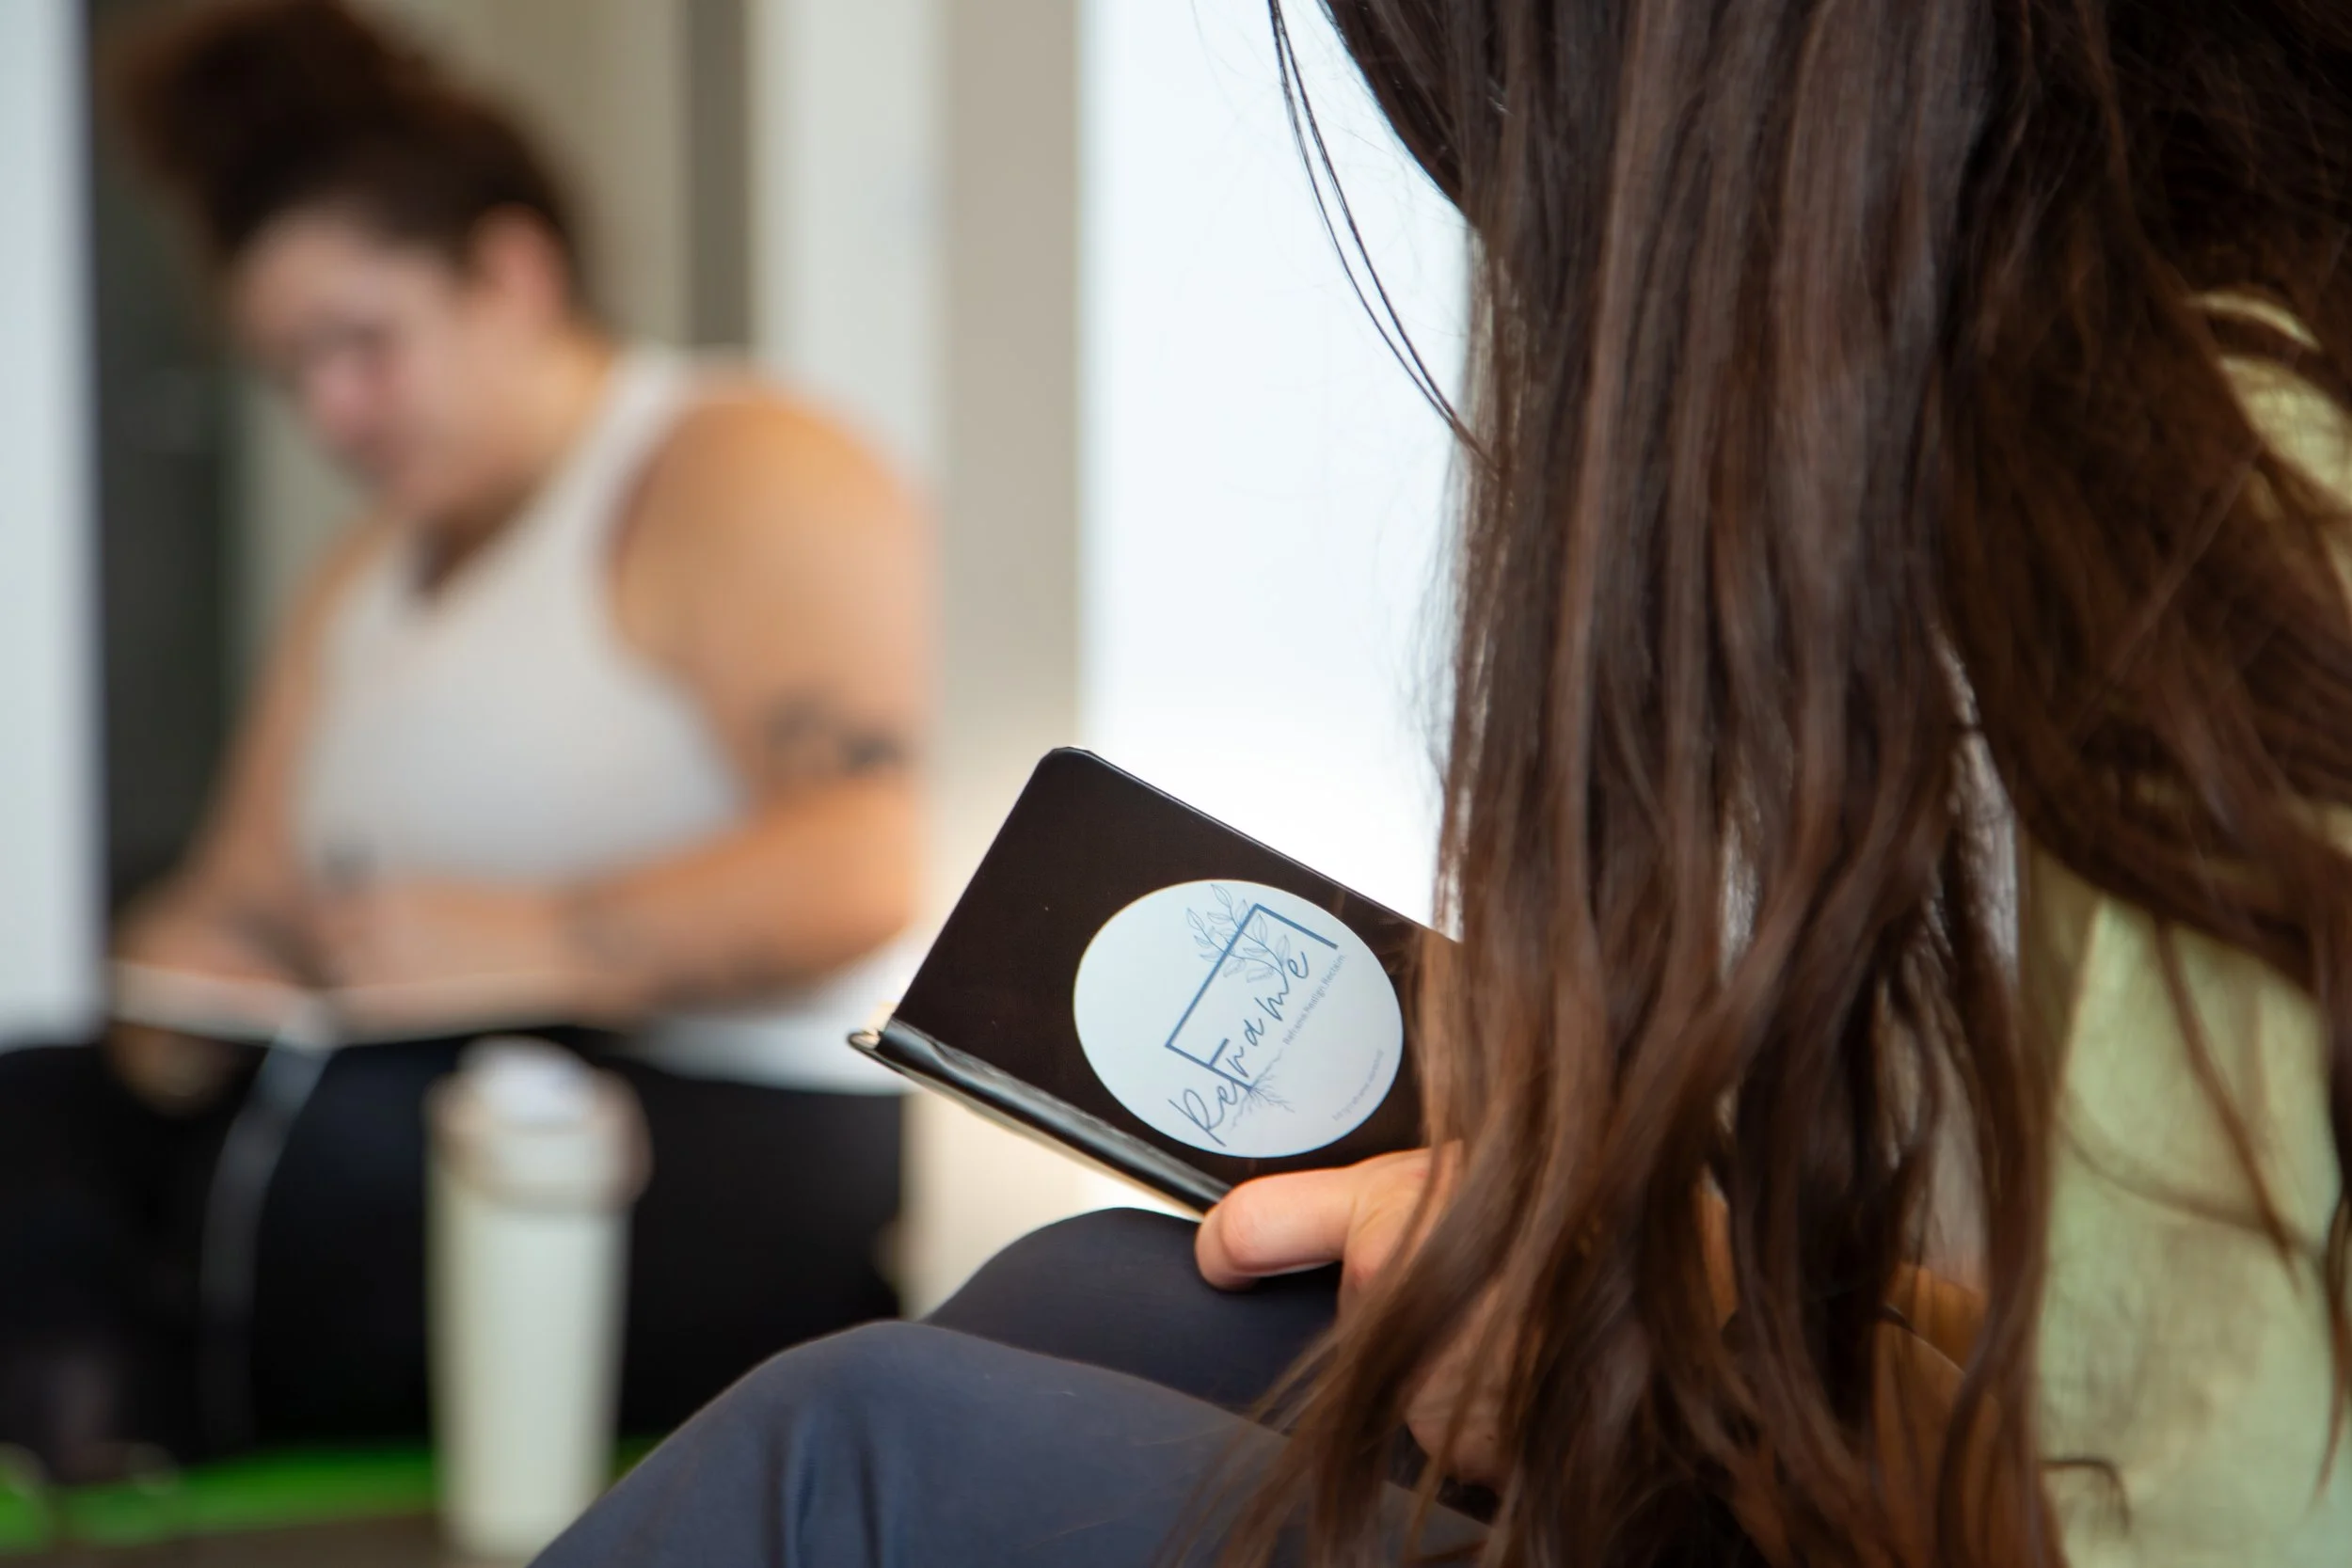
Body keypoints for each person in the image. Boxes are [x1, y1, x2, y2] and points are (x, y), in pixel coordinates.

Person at [533, 1, 2352, 1565]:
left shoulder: (2237, 569)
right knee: (1130, 1291)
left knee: (861, 1450)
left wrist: (1699, 1365)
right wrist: (1706, 1301)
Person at [0, 0, 928, 1477]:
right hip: (396, 1098)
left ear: (510, 272)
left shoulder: (730, 462)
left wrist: (527, 937)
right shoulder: (356, 587)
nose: (332, 410)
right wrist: (169, 1012)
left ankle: (132, 1416)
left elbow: (865, 856)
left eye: (361, 345)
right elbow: (231, 903)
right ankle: (107, 1445)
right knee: (37, 1098)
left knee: (374, 1139)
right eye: (291, 372)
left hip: (703, 1130)